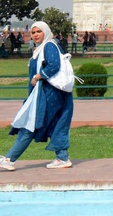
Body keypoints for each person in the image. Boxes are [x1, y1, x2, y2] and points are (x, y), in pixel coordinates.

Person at [0, 21, 74, 171]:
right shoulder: (41, 48)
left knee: (31, 123)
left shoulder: (49, 45)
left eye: (39, 31)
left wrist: (38, 76)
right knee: (54, 123)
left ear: (45, 32)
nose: (35, 35)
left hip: (50, 93)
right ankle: (62, 157)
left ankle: (9, 158)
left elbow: (54, 65)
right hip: (49, 93)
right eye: (33, 32)